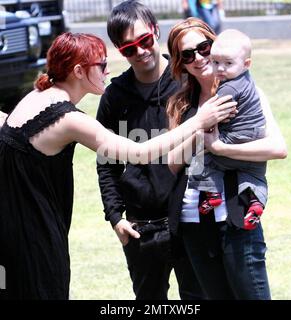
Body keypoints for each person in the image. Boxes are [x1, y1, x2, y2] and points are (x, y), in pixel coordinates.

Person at [0, 31, 235, 300]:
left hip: (10, 232)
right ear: (78, 70)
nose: (107, 70)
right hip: (35, 238)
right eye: (101, 65)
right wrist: (198, 121)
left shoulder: (33, 98)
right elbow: (139, 152)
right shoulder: (69, 118)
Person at [95, 0, 230, 300]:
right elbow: (107, 164)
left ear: (156, 31)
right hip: (140, 225)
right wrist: (116, 217)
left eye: (144, 40)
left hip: (190, 218)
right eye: (129, 48)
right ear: (119, 50)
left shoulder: (188, 79)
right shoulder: (114, 97)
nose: (140, 51)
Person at [166, 17, 287, 299]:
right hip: (193, 218)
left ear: (215, 44)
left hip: (238, 211)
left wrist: (220, 148)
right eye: (187, 54)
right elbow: (174, 164)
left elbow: (277, 148)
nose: (198, 57)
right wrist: (200, 127)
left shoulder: (248, 93)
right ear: (180, 63)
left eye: (203, 47)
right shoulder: (181, 104)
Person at [188, 29, 267, 230]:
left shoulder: (228, 88)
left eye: (228, 63)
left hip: (234, 136)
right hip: (255, 135)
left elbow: (215, 115)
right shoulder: (248, 79)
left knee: (201, 159)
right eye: (216, 62)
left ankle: (212, 194)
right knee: (254, 174)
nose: (220, 69)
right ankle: (256, 203)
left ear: (246, 63)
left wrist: (207, 132)